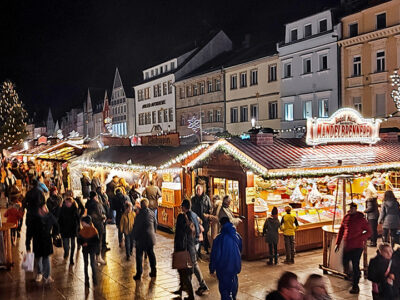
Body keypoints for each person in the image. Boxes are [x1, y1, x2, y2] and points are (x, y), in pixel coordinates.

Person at [335, 202, 371, 294]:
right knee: (344, 262)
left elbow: (369, 231)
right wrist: (337, 243)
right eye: (349, 208)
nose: (350, 210)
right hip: (347, 246)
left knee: (355, 265)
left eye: (351, 208)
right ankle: (353, 275)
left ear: (355, 209)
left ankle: (355, 285)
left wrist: (360, 238)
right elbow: (341, 230)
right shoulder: (346, 217)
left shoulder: (361, 219)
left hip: (357, 246)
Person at [181, 199, 209, 296]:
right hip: (195, 242)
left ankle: (202, 285)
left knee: (193, 264)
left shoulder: (188, 216)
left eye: (182, 207)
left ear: (184, 207)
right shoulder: (193, 214)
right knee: (191, 264)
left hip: (191, 243)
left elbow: (191, 231)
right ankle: (188, 286)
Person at [210, 217, 242, 300]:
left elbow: (214, 255)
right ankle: (233, 297)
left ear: (221, 225)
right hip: (235, 264)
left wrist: (212, 268)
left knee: (224, 288)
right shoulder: (237, 235)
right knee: (234, 282)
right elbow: (240, 248)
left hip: (223, 266)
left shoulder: (218, 238)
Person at [29, 203, 59, 284]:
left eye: (43, 208)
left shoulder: (50, 216)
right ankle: (39, 273)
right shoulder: (35, 218)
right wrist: (28, 240)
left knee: (46, 258)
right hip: (37, 240)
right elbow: (30, 228)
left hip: (46, 240)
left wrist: (54, 234)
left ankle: (47, 276)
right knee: (38, 258)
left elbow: (56, 225)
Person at [173, 205, 196, 300]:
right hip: (182, 252)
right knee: (182, 273)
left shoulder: (182, 230)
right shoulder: (185, 227)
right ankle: (181, 289)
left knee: (184, 274)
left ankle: (191, 296)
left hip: (182, 252)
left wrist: (179, 251)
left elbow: (182, 242)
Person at [132, 198, 157, 280]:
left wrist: (134, 237)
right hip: (150, 238)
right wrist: (153, 232)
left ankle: (139, 273)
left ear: (141, 205)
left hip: (141, 239)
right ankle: (154, 271)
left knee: (139, 256)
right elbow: (155, 224)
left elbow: (136, 227)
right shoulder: (152, 213)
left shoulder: (139, 215)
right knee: (151, 254)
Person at [24, 179, 46, 251]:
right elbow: (43, 203)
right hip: (38, 215)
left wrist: (27, 208)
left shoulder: (29, 193)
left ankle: (28, 247)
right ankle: (36, 249)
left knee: (29, 232)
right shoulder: (40, 193)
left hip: (30, 215)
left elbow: (24, 203)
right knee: (37, 233)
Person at [77, 215, 99, 287]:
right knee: (86, 264)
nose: (81, 224)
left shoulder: (93, 230)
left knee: (91, 264)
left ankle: (94, 278)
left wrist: (87, 243)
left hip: (90, 249)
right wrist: (82, 243)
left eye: (82, 222)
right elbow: (79, 240)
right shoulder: (82, 230)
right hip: (86, 250)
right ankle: (87, 280)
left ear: (86, 223)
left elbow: (96, 241)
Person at [85, 191, 106, 265]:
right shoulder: (96, 204)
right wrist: (103, 217)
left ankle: (93, 258)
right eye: (96, 196)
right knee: (98, 241)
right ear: (94, 197)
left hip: (91, 225)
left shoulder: (87, 204)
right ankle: (98, 257)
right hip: (98, 225)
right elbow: (99, 214)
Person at [191, 184, 212, 255]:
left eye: (199, 189)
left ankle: (206, 248)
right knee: (198, 235)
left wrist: (208, 217)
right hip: (196, 219)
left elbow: (209, 208)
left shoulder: (206, 198)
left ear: (202, 190)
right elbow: (192, 209)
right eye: (197, 189)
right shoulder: (193, 199)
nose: (198, 191)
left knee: (205, 234)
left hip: (205, 219)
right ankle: (198, 251)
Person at [58, 196, 80, 264]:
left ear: (72, 202)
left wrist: (78, 228)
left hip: (73, 229)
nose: (68, 204)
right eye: (66, 202)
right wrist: (59, 229)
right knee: (65, 244)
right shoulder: (62, 209)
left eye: (69, 203)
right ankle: (66, 252)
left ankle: (71, 258)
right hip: (64, 229)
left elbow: (78, 219)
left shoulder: (75, 209)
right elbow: (59, 220)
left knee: (73, 244)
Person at [96, 185, 111, 251]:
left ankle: (103, 243)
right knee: (103, 231)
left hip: (103, 215)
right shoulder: (100, 197)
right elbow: (103, 205)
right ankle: (103, 245)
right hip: (102, 217)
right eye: (102, 189)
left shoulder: (101, 196)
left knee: (103, 231)